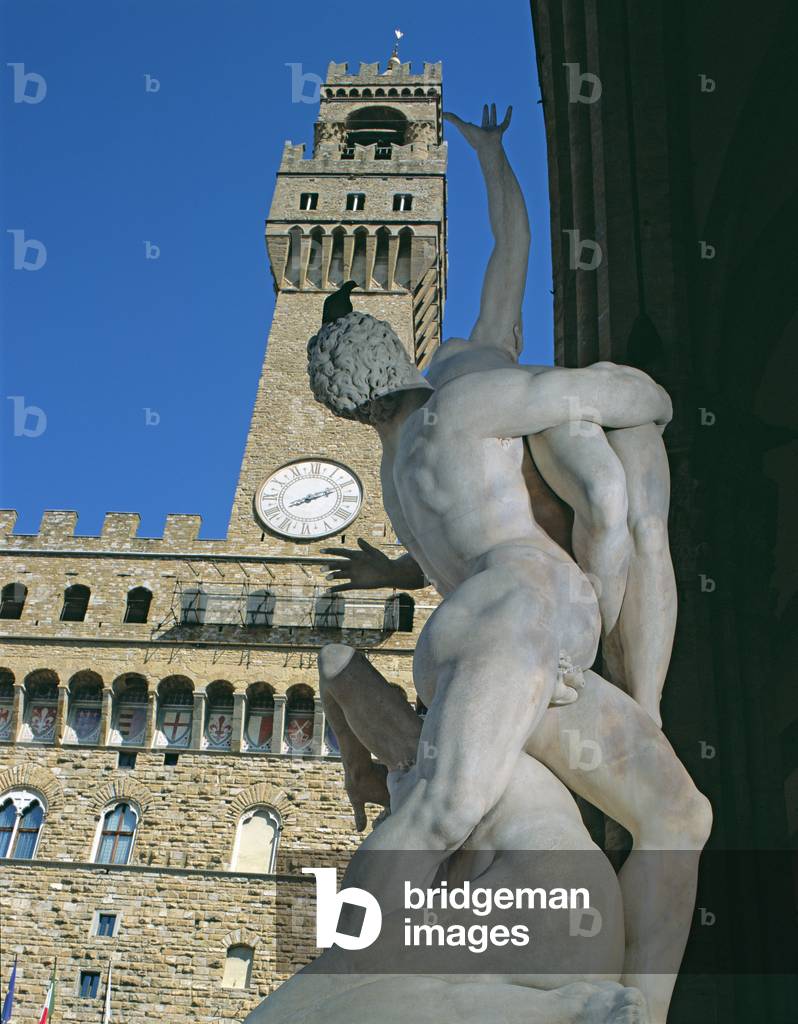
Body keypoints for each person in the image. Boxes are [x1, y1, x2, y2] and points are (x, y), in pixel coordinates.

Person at [306, 105, 711, 1024]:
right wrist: (652, 398)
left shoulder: (398, 475)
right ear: (398, 352)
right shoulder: (470, 402)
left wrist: (390, 578)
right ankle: (336, 989)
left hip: (511, 641)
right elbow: (599, 385)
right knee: (443, 809)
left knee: (680, 814)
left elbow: (453, 550)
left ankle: (637, 1012)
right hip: (521, 626)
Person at [245, 644, 649, 1024]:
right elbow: (335, 663)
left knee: (340, 977)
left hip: (546, 909)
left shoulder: (429, 777)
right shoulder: (493, 759)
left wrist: (359, 771)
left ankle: (574, 1010)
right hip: (585, 931)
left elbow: (355, 943)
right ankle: (572, 1010)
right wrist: (358, 771)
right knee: (393, 987)